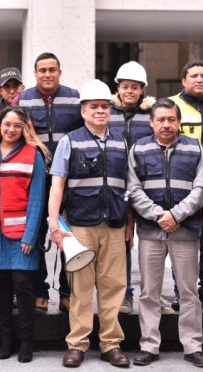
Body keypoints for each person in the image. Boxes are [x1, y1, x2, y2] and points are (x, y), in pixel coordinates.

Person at [48, 79, 130, 369]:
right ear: (83, 111)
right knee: (81, 289)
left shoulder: (122, 141)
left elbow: (128, 187)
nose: (100, 111)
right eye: (94, 106)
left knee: (113, 286)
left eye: (105, 107)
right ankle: (77, 345)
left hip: (115, 224)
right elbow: (57, 186)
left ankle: (111, 344)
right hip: (80, 226)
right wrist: (55, 224)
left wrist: (129, 225)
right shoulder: (69, 142)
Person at [127, 98, 203, 368]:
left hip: (185, 230)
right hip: (151, 231)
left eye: (171, 119)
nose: (166, 124)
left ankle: (192, 346)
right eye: (160, 119)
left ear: (179, 121)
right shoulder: (139, 149)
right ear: (151, 122)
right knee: (149, 292)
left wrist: (176, 215)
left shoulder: (195, 148)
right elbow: (133, 189)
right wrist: (157, 215)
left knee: (188, 291)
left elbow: (201, 189)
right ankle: (149, 346)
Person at [0, 106, 48, 363]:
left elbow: (38, 199)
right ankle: (6, 338)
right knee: (2, 287)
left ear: (25, 128)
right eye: (7, 124)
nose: (11, 129)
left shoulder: (34, 155)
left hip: (21, 236)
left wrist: (31, 236)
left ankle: (27, 341)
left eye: (17, 125)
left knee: (23, 286)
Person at [17, 52, 83, 314]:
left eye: (52, 69)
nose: (47, 74)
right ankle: (40, 291)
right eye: (42, 70)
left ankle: (67, 292)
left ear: (60, 71)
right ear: (35, 74)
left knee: (68, 235)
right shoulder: (23, 99)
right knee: (36, 234)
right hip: (36, 179)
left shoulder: (74, 97)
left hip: (69, 180)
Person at [169, 58, 203, 312]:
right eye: (194, 76)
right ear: (183, 80)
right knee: (180, 240)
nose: (199, 79)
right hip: (182, 184)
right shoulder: (171, 106)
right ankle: (181, 291)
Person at [109, 61, 154, 314]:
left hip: (145, 185)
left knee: (150, 241)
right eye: (125, 86)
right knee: (123, 241)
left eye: (134, 87)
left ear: (142, 90)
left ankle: (153, 294)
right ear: (118, 88)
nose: (129, 91)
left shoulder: (151, 114)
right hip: (116, 184)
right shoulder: (108, 111)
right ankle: (125, 292)